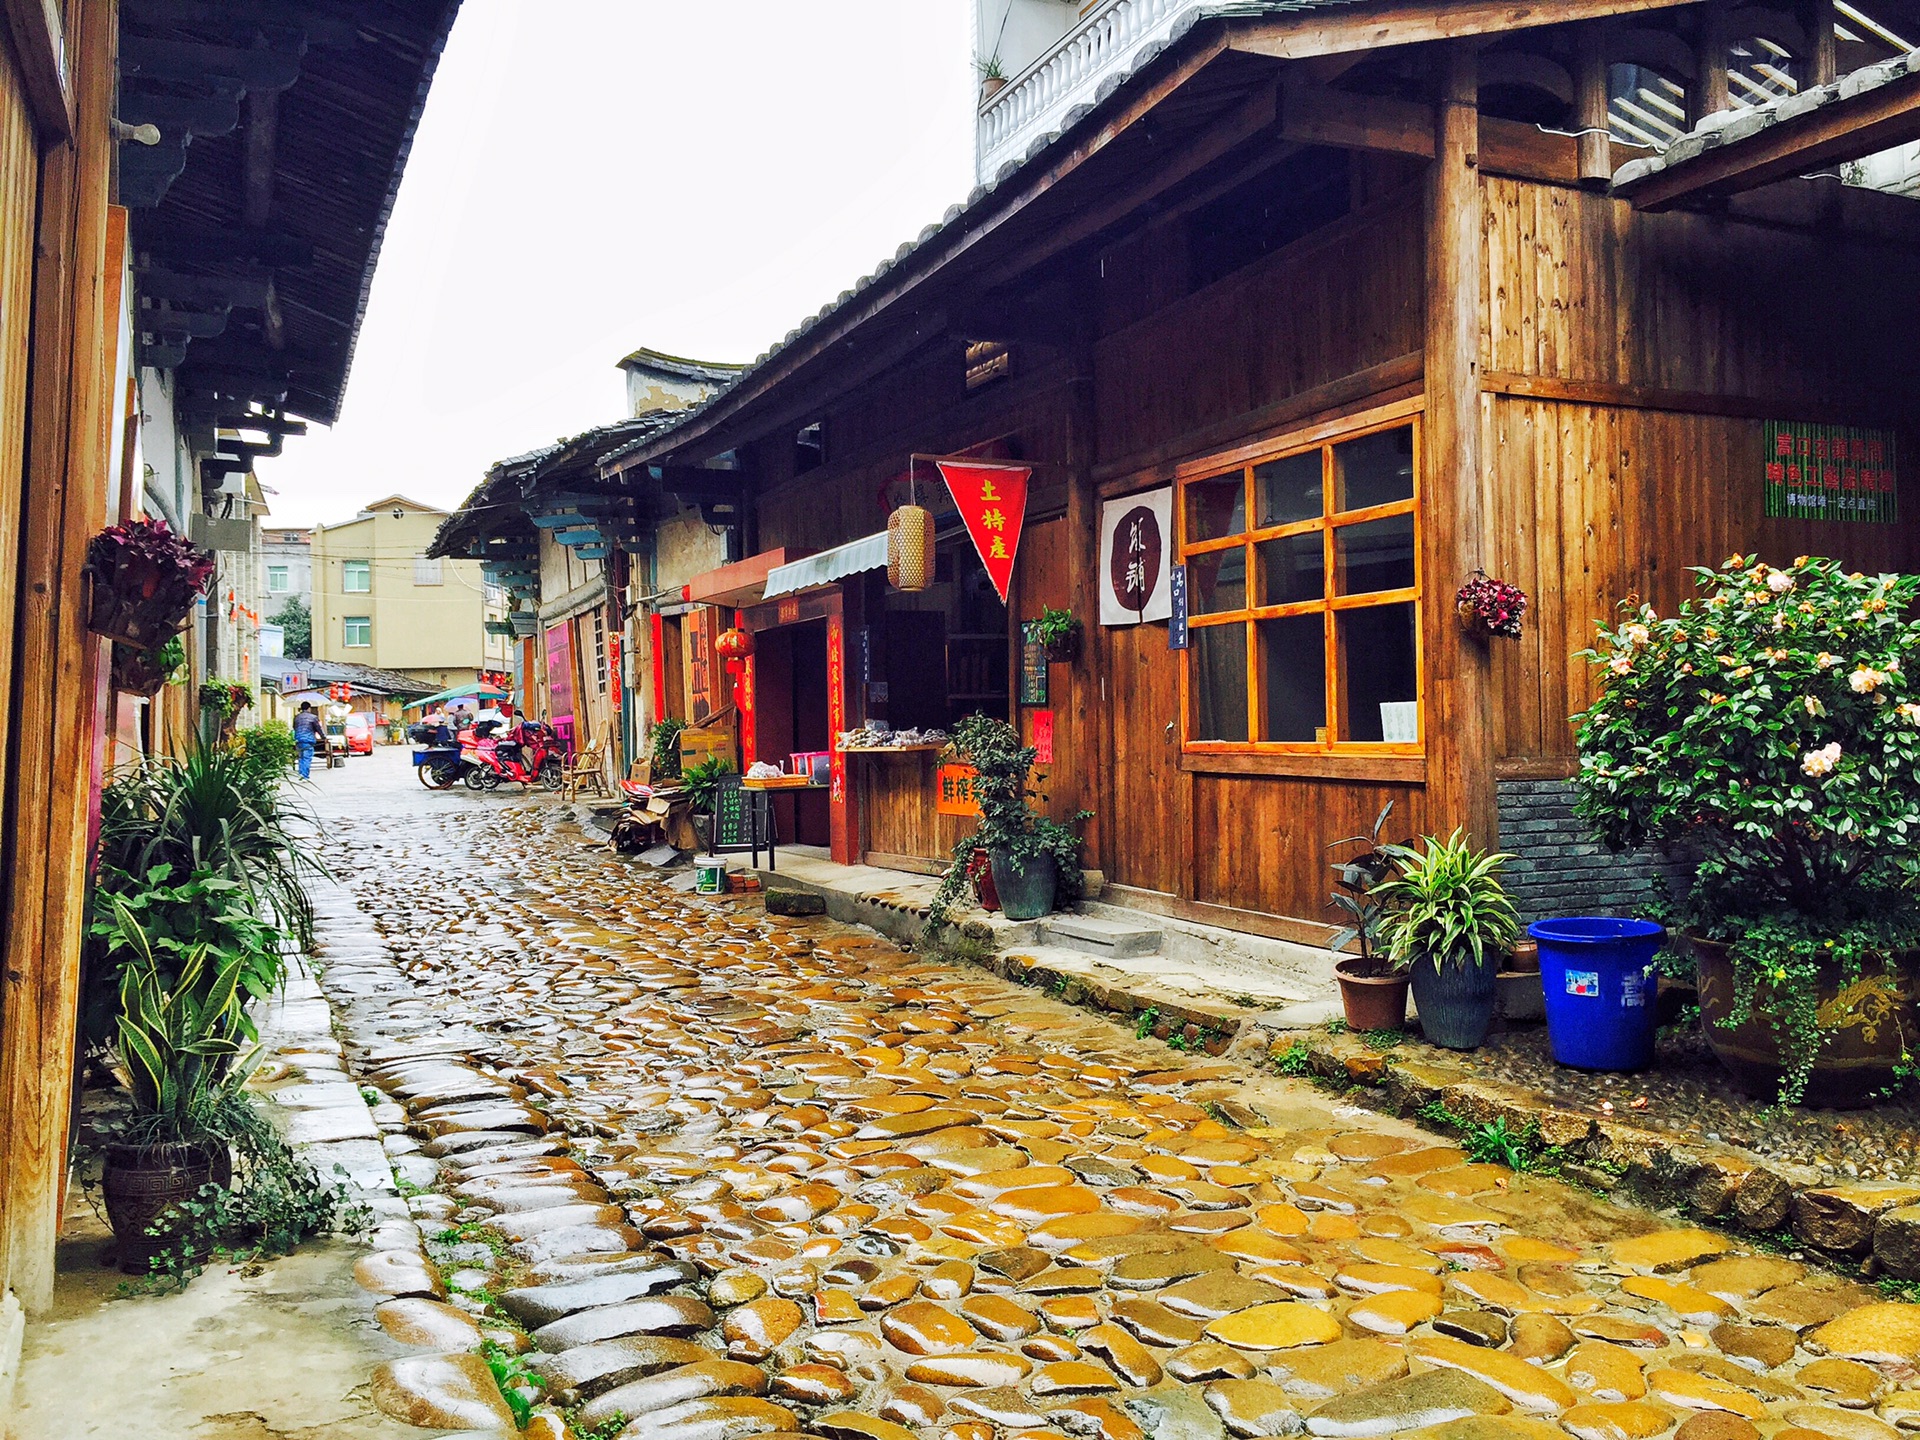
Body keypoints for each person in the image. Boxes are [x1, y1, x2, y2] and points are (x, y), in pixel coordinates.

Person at [292, 701, 321, 779]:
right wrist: (323, 737)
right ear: (309, 708)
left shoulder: (297, 717)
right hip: (308, 740)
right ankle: (305, 776)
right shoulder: (313, 717)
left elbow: (294, 727)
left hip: (298, 739)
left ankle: (301, 773)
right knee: (307, 758)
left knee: (301, 757)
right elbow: (318, 728)